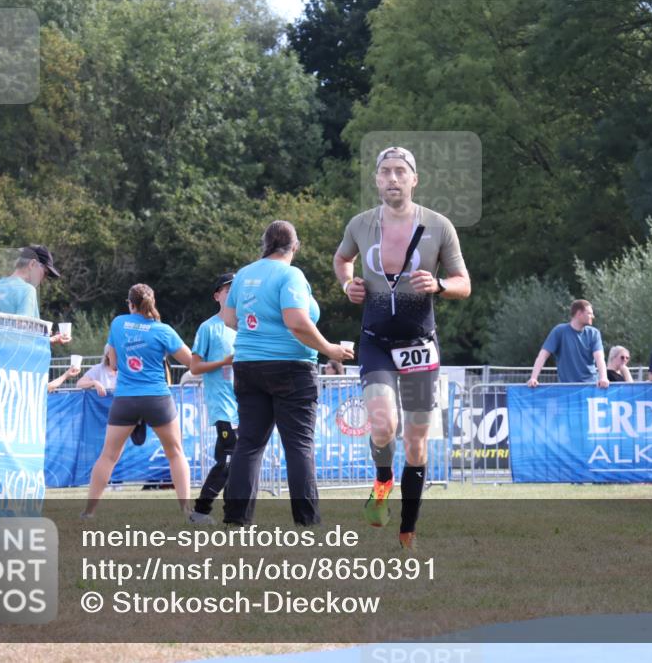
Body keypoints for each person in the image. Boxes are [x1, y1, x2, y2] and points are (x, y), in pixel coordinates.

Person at [333, 146, 471, 549]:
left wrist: (441, 285)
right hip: (375, 342)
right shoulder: (360, 225)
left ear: (414, 179)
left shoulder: (439, 226)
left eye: (400, 172)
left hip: (420, 346)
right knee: (382, 426)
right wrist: (347, 283)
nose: (392, 178)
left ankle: (407, 529)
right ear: (376, 180)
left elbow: (463, 282)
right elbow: (342, 260)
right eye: (385, 172)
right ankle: (381, 480)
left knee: (415, 442)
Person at [224, 221, 353, 527]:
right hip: (291, 368)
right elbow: (296, 321)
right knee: (298, 445)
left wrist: (259, 335)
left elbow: (229, 319)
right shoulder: (290, 275)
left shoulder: (244, 274)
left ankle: (236, 518)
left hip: (247, 365)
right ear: (295, 247)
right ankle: (307, 521)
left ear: (264, 244)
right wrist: (329, 349)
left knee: (249, 444)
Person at [82, 283, 194, 518]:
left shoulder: (118, 323)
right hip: (157, 398)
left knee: (108, 455)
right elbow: (191, 362)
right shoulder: (163, 330)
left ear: (131, 304)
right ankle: (186, 510)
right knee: (175, 453)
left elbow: (112, 365)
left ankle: (89, 512)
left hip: (126, 399)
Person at [188, 273, 239, 526]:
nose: (233, 294)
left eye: (237, 289)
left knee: (238, 463)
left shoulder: (249, 325)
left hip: (247, 406)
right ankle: (200, 510)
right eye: (228, 289)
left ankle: (233, 513)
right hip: (223, 406)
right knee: (228, 459)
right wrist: (223, 362)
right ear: (217, 295)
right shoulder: (209, 328)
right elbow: (195, 367)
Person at [0, 245, 70, 345]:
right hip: (13, 356)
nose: (43, 279)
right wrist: (49, 339)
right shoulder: (27, 290)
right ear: (32, 264)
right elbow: (23, 332)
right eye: (45, 272)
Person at [526, 300, 610, 388]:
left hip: (590, 386)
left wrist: (603, 377)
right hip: (566, 388)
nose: (593, 316)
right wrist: (533, 378)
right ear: (579, 313)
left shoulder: (594, 333)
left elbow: (599, 358)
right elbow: (543, 355)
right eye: (589, 313)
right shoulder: (559, 331)